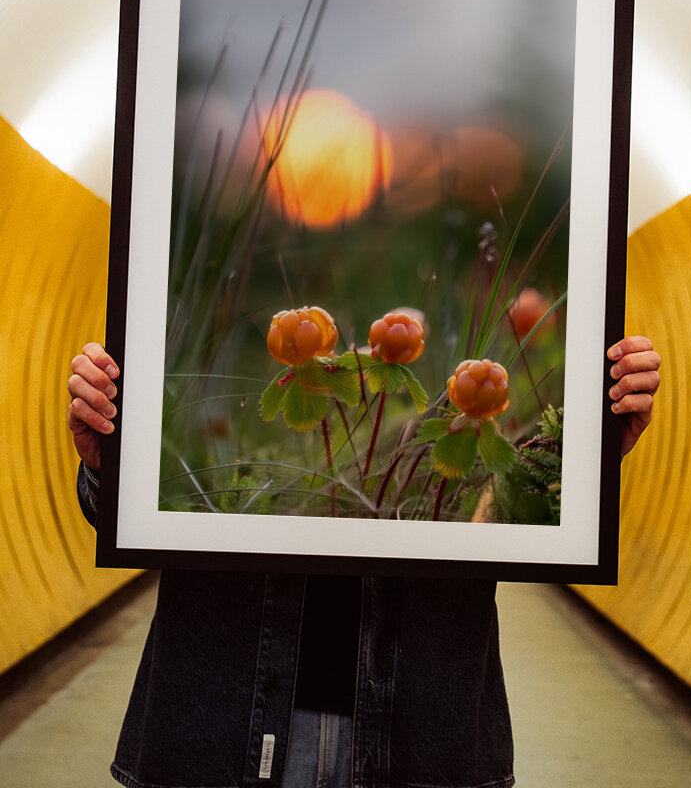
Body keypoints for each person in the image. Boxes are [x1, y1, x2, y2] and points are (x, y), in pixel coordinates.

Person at [68, 336, 660, 788]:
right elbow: (138, 513)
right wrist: (108, 464)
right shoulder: (231, 419)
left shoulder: (444, 451)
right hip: (220, 723)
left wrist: (586, 458)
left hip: (422, 731)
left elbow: (506, 515)